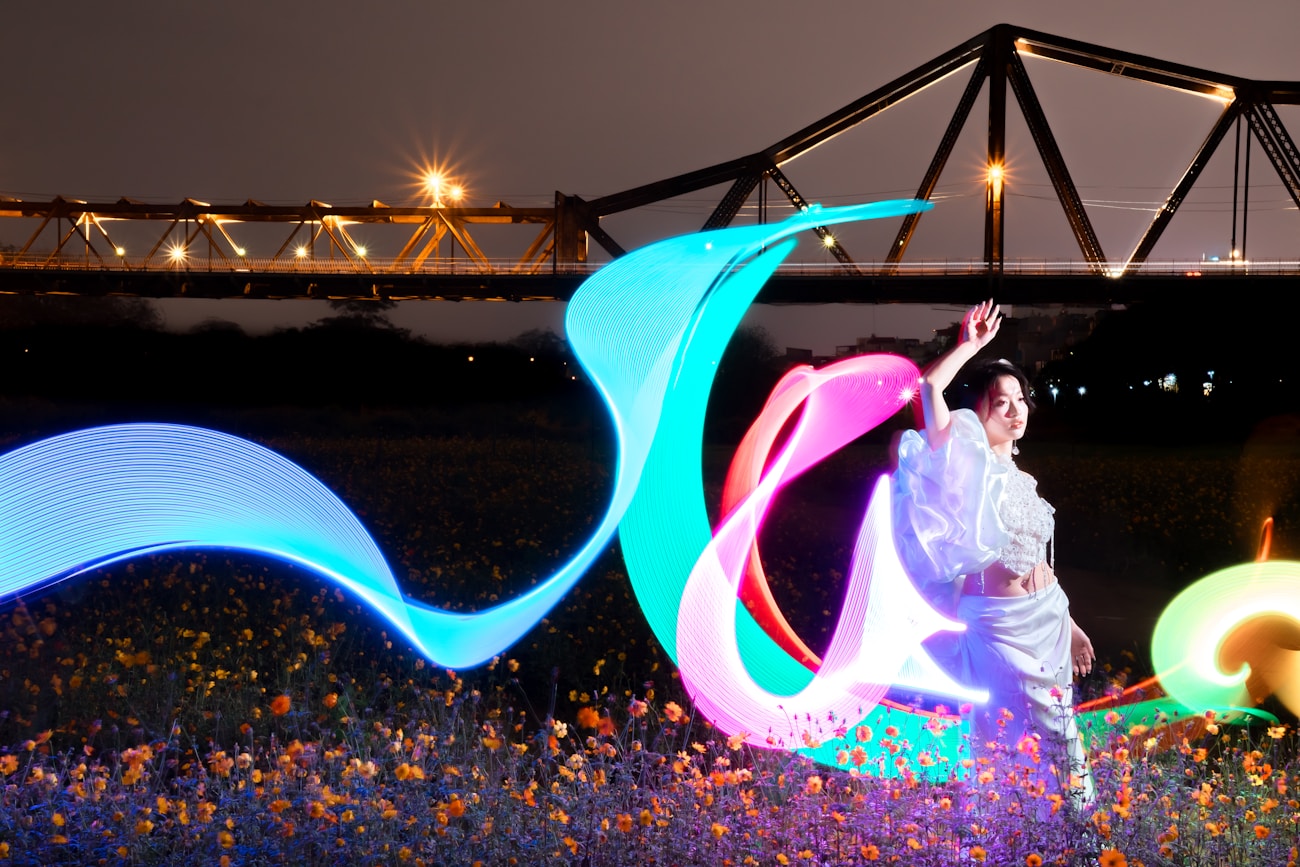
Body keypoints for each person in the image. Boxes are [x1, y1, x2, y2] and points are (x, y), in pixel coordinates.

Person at [891, 299, 1093, 802]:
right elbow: (930, 388)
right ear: (978, 410)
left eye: (1020, 399)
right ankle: (1012, 840)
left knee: (1063, 739)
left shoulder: (1023, 478)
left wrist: (1069, 624)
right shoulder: (962, 459)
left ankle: (1068, 843)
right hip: (999, 625)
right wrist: (970, 345)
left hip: (1048, 617)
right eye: (1000, 401)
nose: (1015, 409)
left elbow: (1036, 558)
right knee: (1016, 738)